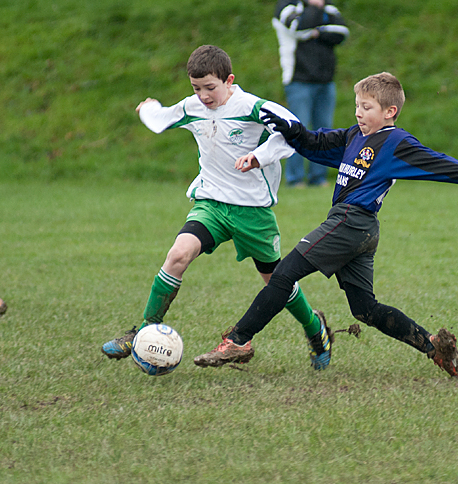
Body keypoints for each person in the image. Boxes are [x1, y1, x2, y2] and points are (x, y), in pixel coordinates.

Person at [193, 72, 458, 376]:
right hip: (360, 230)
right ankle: (433, 347)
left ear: (390, 112)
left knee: (283, 273)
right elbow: (314, 144)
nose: (358, 113)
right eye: (356, 105)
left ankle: (237, 340)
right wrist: (291, 129)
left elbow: (433, 162)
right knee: (364, 309)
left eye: (366, 107)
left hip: (350, 221)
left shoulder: (395, 142)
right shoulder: (353, 136)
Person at [100, 45, 332, 370]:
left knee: (276, 282)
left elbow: (293, 131)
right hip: (211, 203)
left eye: (210, 87)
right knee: (177, 255)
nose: (204, 96)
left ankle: (314, 329)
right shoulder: (193, 106)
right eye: (196, 88)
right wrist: (148, 108)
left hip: (252, 211)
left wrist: (258, 156)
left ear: (229, 80)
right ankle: (143, 330)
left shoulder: (251, 107)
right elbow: (163, 117)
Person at [272, 0, 349, 188]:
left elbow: (341, 31)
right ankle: (295, 179)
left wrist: (317, 30)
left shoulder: (327, 0)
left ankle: (318, 178)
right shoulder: (286, 2)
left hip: (326, 79)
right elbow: (297, 27)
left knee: (325, 132)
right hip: (298, 79)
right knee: (298, 130)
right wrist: (315, 9)